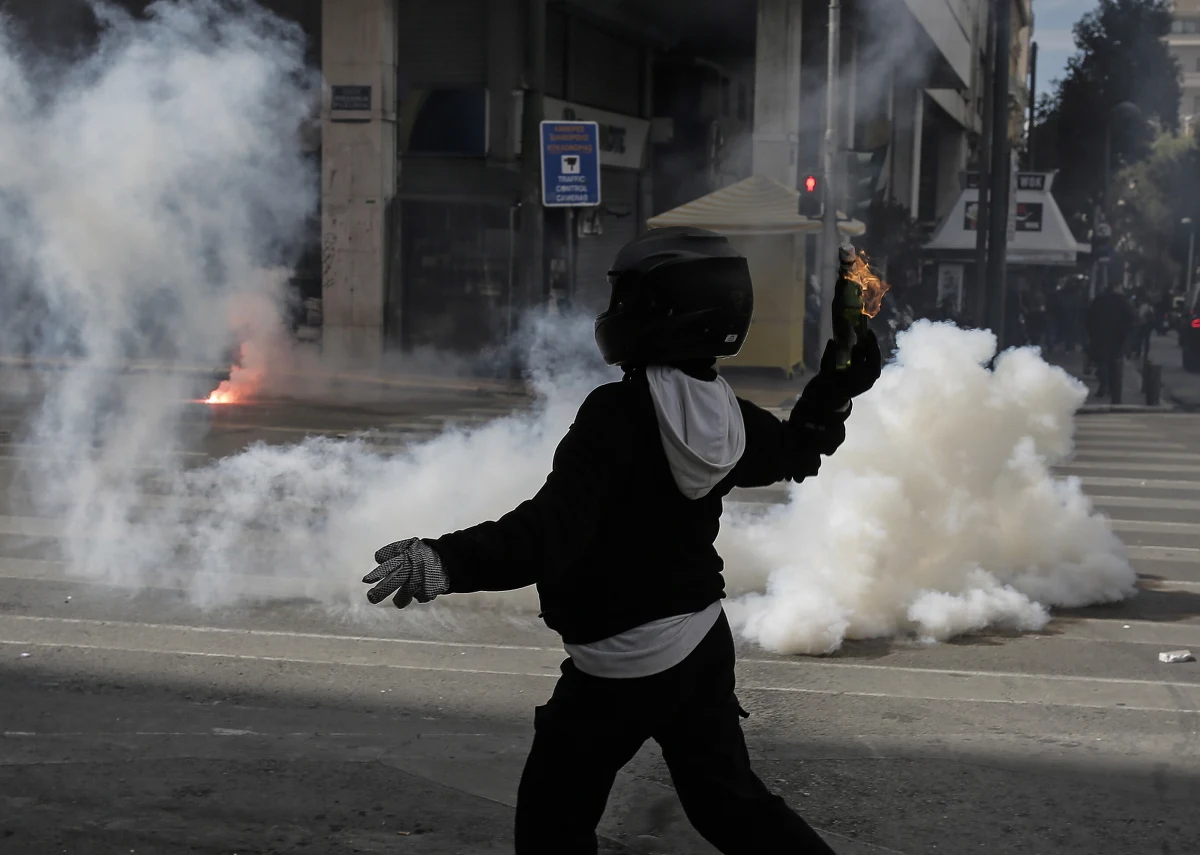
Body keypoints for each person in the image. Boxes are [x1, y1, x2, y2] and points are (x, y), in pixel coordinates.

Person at [360, 226, 882, 855]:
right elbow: (799, 448)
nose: (615, 312)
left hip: (622, 664)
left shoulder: (617, 413)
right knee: (729, 804)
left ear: (664, 311)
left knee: (553, 821)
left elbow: (548, 532)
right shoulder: (726, 414)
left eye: (631, 297)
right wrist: (838, 380)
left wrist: (445, 559)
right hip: (698, 647)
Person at [1086, 279, 1135, 401]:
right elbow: (1131, 319)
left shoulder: (1099, 300)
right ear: (1117, 287)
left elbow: (1089, 318)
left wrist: (1092, 333)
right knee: (1115, 363)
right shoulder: (1123, 302)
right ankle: (1113, 389)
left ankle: (1104, 385)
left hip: (1100, 337)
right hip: (1117, 338)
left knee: (1102, 362)